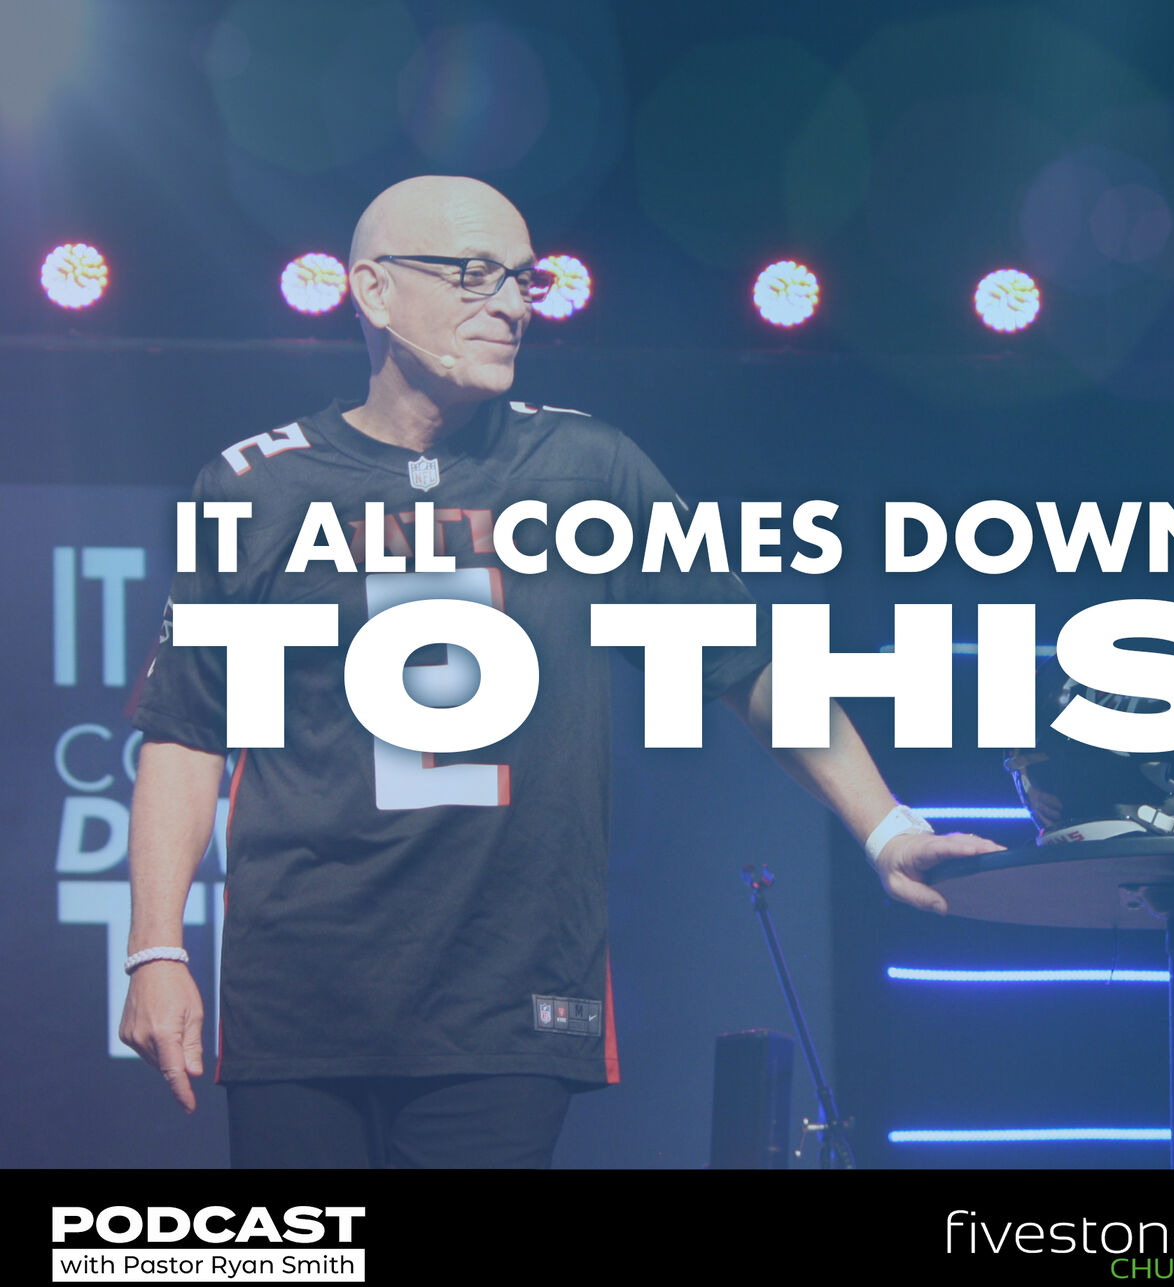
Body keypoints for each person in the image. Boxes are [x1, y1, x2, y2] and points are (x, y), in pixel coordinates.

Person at [120, 175, 1001, 1165]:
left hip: (506, 1002)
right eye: (473, 274)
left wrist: (886, 826)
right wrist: (155, 948)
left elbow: (748, 661)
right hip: (300, 999)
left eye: (523, 279)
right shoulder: (258, 485)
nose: (511, 304)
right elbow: (187, 731)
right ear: (372, 291)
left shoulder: (588, 469)